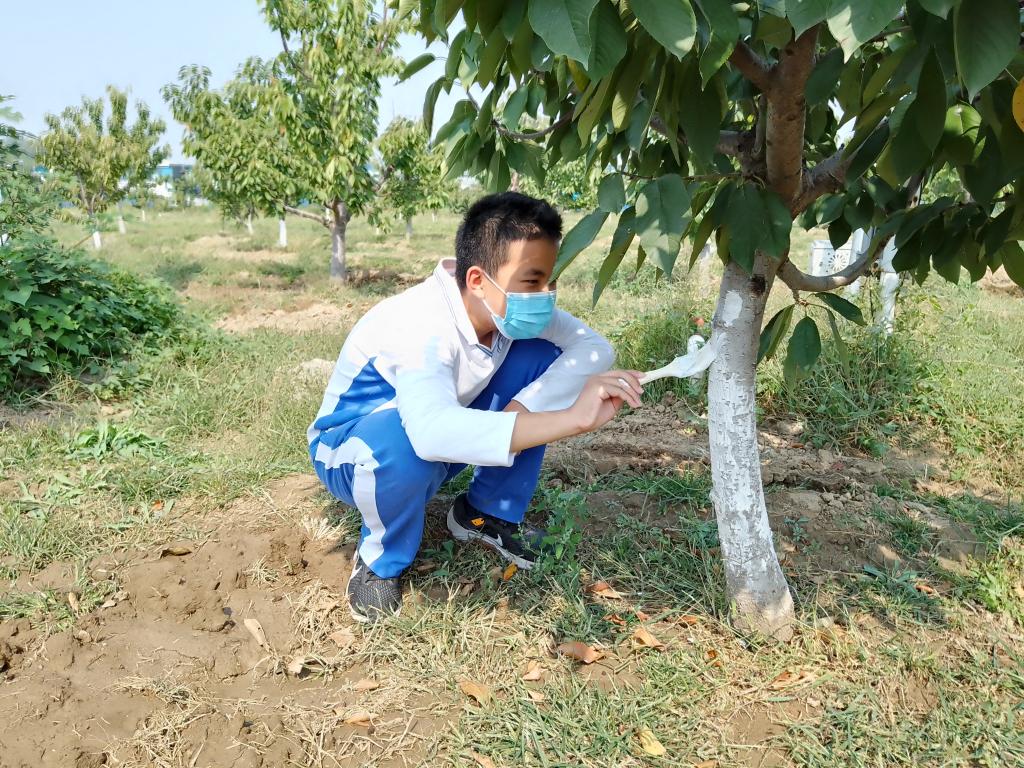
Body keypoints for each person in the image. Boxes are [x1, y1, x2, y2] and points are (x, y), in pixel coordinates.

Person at [307, 192, 644, 622]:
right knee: (400, 444)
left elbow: (595, 349)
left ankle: (484, 512)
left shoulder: (500, 308)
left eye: (552, 280)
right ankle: (379, 559)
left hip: (437, 433)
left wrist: (522, 408)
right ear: (478, 280)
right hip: (354, 449)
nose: (546, 296)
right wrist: (569, 419)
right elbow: (429, 433)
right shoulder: (420, 325)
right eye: (533, 281)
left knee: (539, 353)